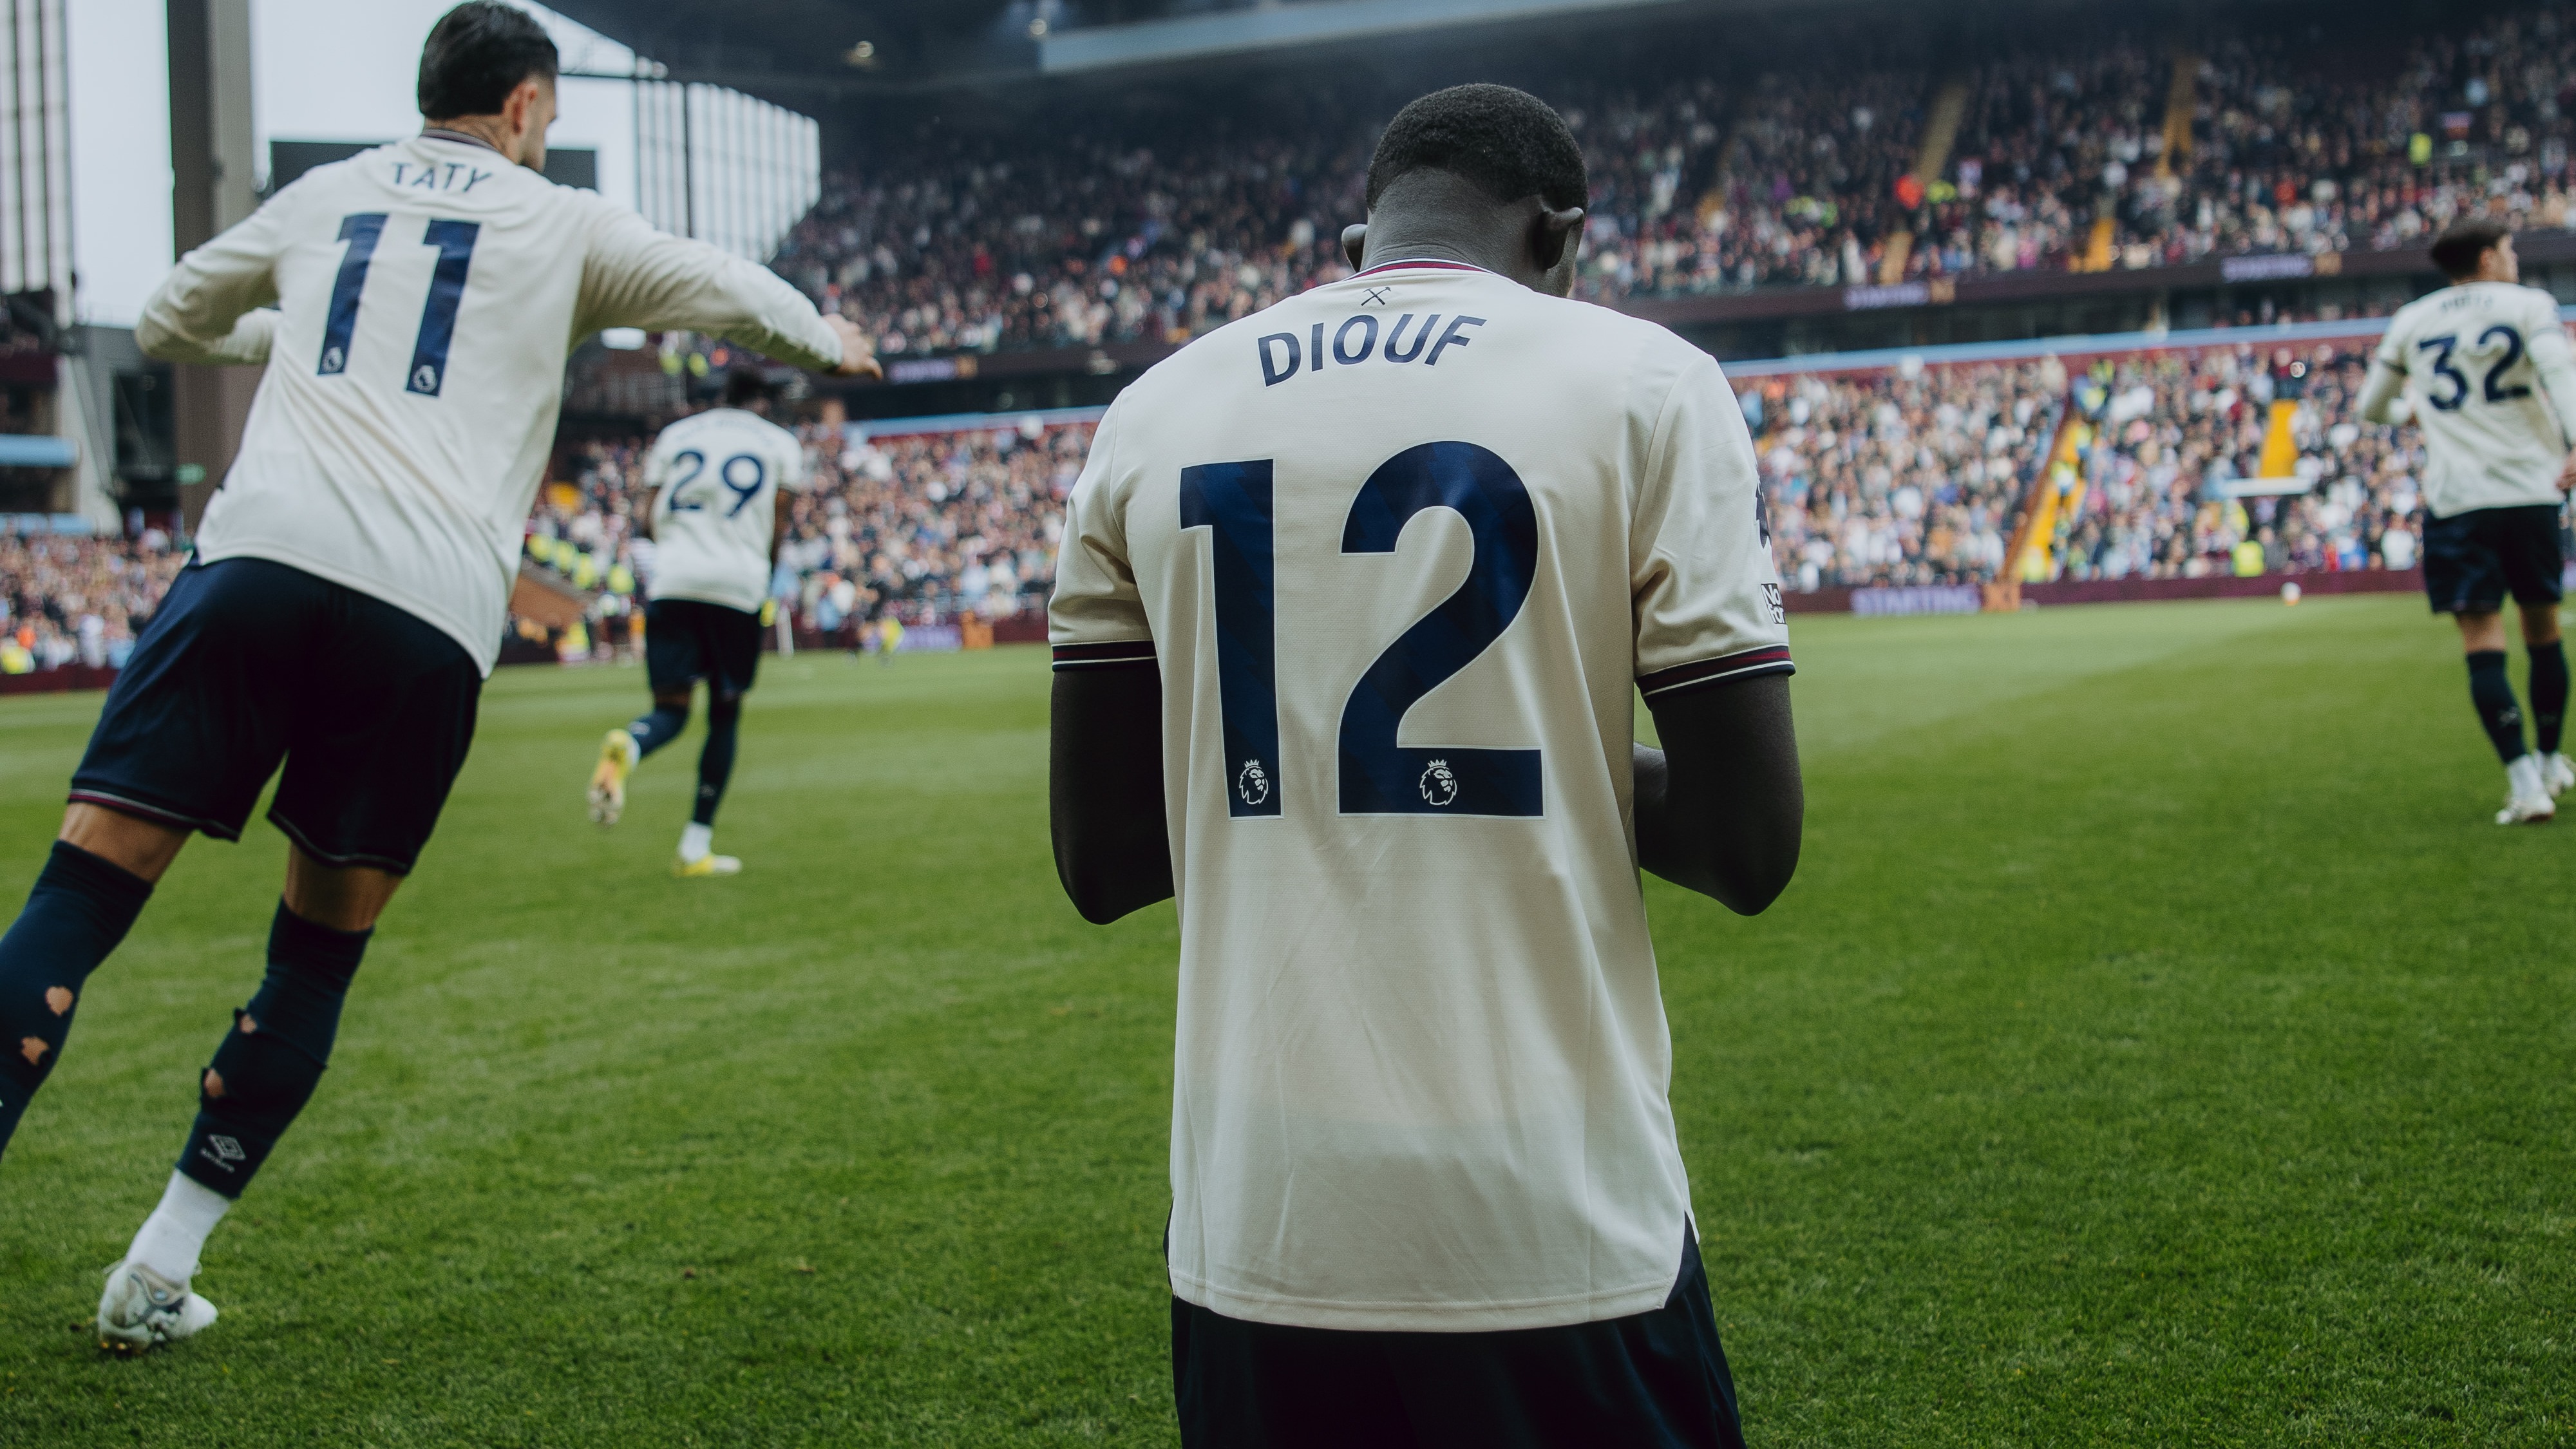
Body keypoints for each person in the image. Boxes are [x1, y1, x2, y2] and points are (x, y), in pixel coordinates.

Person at [0, 1, 875, 1352]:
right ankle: (156, 1272)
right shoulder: (564, 222)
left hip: (256, 566)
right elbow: (729, 292)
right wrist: (830, 342)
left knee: (80, 893)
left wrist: (285, 333)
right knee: (315, 955)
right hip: (423, 613)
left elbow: (174, 317)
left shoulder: (326, 194)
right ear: (525, 108)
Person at [1048, 84, 1801, 1446]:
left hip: (1256, 1232)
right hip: (1548, 1223)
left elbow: (1101, 866)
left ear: (1355, 245)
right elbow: (1748, 846)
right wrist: (1535, 755)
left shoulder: (1150, 411)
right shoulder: (1643, 381)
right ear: (1559, 238)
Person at [2359, 217, 2576, 824]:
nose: (2514, 259)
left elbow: (2370, 406)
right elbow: (2561, 375)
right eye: (2509, 249)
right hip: (2533, 491)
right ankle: (2553, 756)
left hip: (2459, 501)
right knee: (2543, 629)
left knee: (2482, 643)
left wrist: (2415, 413)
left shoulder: (2413, 319)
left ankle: (2524, 782)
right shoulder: (2529, 304)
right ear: (2485, 258)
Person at [585, 368, 805, 875]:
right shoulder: (779, 443)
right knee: (724, 714)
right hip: (736, 585)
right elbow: (777, 522)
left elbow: (645, 518)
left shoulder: (677, 435)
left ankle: (631, 744)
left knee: (671, 710)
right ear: (761, 404)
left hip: (674, 580)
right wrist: (761, 579)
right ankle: (694, 845)